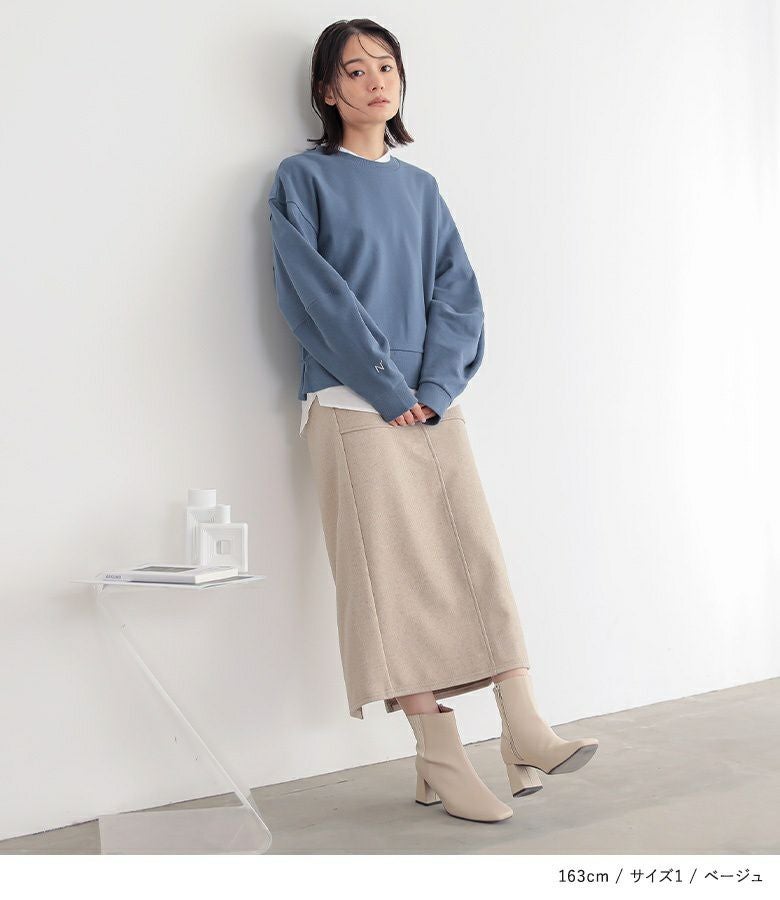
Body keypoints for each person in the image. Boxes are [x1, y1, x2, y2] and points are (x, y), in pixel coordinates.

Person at [267, 18, 598, 824]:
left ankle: (523, 724)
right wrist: (387, 385)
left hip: (431, 403)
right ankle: (440, 754)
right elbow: (315, 297)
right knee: (393, 582)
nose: (374, 80)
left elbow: (458, 293)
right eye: (354, 70)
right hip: (350, 404)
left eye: (385, 65)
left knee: (473, 555)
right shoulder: (302, 179)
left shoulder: (421, 188)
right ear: (326, 90)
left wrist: (438, 386)